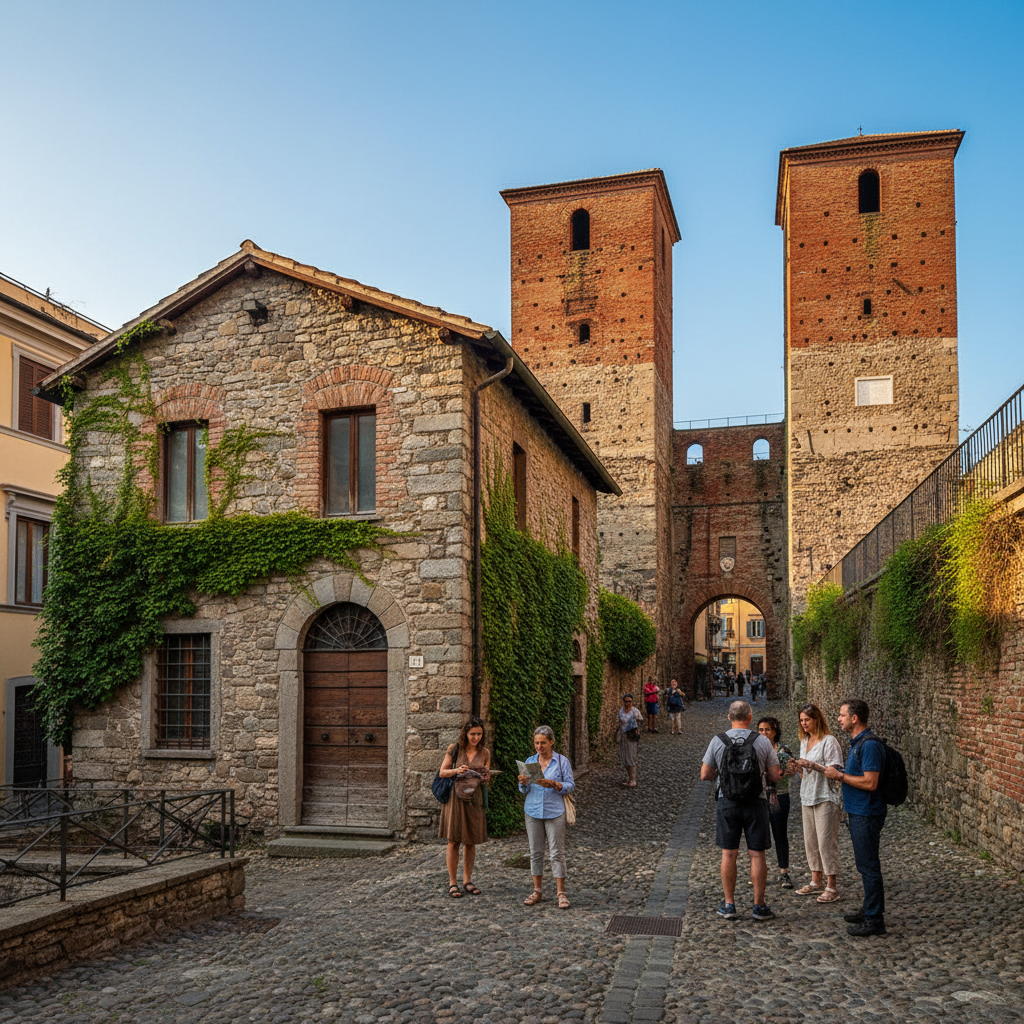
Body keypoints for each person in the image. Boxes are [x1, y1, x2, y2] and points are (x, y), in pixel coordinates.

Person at [700, 700, 781, 921]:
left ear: (729, 717)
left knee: (728, 853)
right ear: (750, 717)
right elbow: (774, 776)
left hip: (727, 801)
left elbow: (705, 774)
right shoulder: (762, 741)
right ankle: (759, 905)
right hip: (756, 801)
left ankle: (729, 904)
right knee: (757, 854)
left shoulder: (718, 741)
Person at [823, 699, 888, 936]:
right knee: (864, 865)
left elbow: (871, 783)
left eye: (842, 715)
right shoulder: (858, 743)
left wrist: (839, 776)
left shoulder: (868, 746)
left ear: (854, 718)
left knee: (869, 866)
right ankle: (869, 909)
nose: (838, 719)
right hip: (859, 812)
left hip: (867, 813)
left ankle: (874, 920)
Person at [518, 725, 575, 909]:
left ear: (551, 742)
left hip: (554, 810)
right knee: (535, 852)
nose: (539, 746)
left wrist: (556, 784)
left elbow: (570, 785)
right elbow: (524, 790)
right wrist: (523, 783)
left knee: (557, 852)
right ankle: (537, 890)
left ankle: (561, 893)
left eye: (543, 742)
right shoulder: (530, 761)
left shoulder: (561, 762)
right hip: (533, 810)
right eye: (536, 743)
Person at [792, 702, 844, 903]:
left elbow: (834, 773)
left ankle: (832, 886)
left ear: (817, 720)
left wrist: (813, 765)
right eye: (802, 720)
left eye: (807, 720)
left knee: (826, 843)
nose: (804, 723)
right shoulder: (804, 741)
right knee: (811, 841)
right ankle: (816, 880)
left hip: (825, 796)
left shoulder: (829, 741)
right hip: (807, 795)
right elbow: (806, 775)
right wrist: (797, 768)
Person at [437, 716, 491, 898]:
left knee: (471, 841)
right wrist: (457, 770)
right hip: (455, 798)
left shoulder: (485, 753)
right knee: (453, 840)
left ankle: (467, 880)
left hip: (475, 799)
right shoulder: (454, 749)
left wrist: (486, 778)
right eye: (472, 734)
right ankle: (453, 883)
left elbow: (485, 776)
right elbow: (443, 772)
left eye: (479, 734)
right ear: (466, 734)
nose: (476, 737)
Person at [757, 716, 795, 889]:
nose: (764, 733)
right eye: (761, 730)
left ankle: (784, 871)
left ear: (775, 731)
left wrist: (781, 773)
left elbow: (792, 771)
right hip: (760, 797)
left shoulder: (783, 750)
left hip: (780, 795)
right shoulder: (754, 748)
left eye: (768, 730)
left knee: (780, 834)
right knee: (758, 837)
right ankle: (758, 872)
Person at [616, 693, 644, 786]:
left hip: (632, 736)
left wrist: (635, 723)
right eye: (626, 701)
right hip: (624, 736)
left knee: (631, 757)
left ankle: (633, 780)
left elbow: (641, 721)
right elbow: (620, 723)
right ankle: (629, 778)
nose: (628, 703)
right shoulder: (621, 711)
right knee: (624, 757)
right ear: (623, 702)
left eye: (630, 701)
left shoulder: (635, 711)